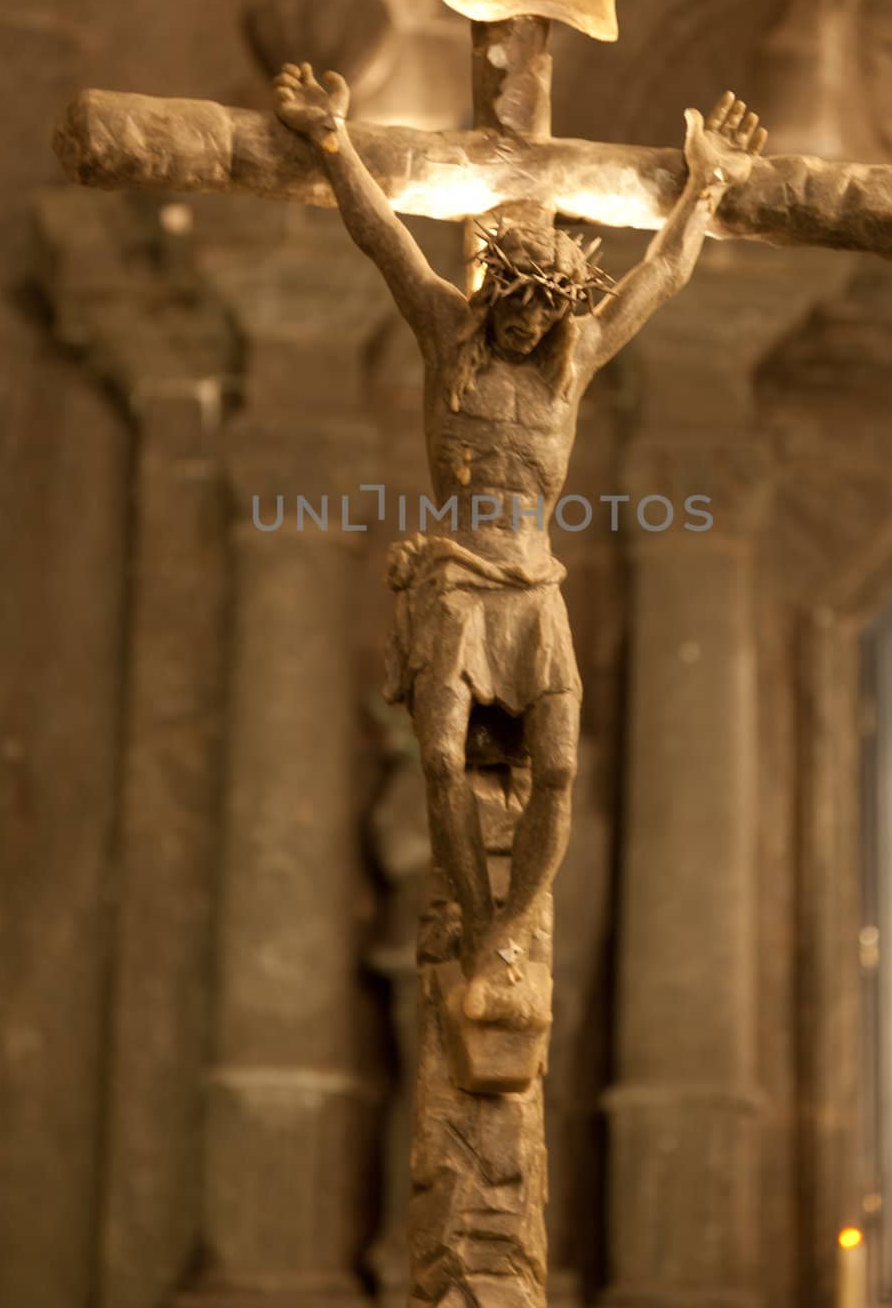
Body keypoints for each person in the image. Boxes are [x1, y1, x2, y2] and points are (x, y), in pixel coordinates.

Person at [274, 62, 766, 1025]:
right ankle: (471, 906)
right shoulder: (443, 332)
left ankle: (510, 928)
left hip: (531, 582)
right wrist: (333, 142)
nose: (529, 319)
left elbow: (658, 278)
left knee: (560, 766)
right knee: (444, 763)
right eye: (516, 302)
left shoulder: (570, 364)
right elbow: (384, 240)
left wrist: (706, 184)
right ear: (493, 291)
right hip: (458, 584)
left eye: (545, 309)